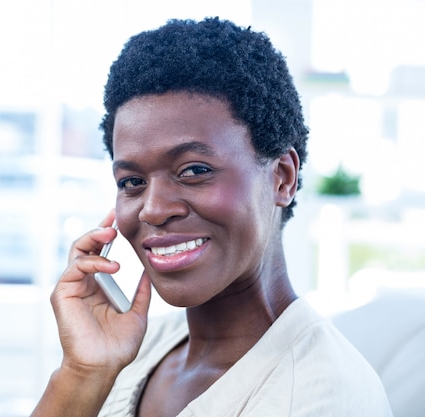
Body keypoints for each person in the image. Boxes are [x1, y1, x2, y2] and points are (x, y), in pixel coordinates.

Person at [32, 17, 393, 417]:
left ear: (281, 178)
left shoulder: (322, 395)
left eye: (194, 171)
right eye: (132, 181)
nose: (152, 208)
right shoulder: (141, 349)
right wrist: (82, 374)